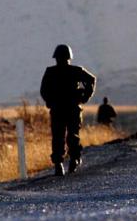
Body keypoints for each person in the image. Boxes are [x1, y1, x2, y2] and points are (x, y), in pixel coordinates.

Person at [40, 44, 96, 176]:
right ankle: (74, 159)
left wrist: (50, 101)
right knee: (73, 135)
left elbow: (43, 90)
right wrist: (85, 96)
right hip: (72, 108)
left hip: (58, 109)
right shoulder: (75, 70)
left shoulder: (50, 72)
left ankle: (59, 163)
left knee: (58, 136)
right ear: (69, 57)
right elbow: (91, 80)